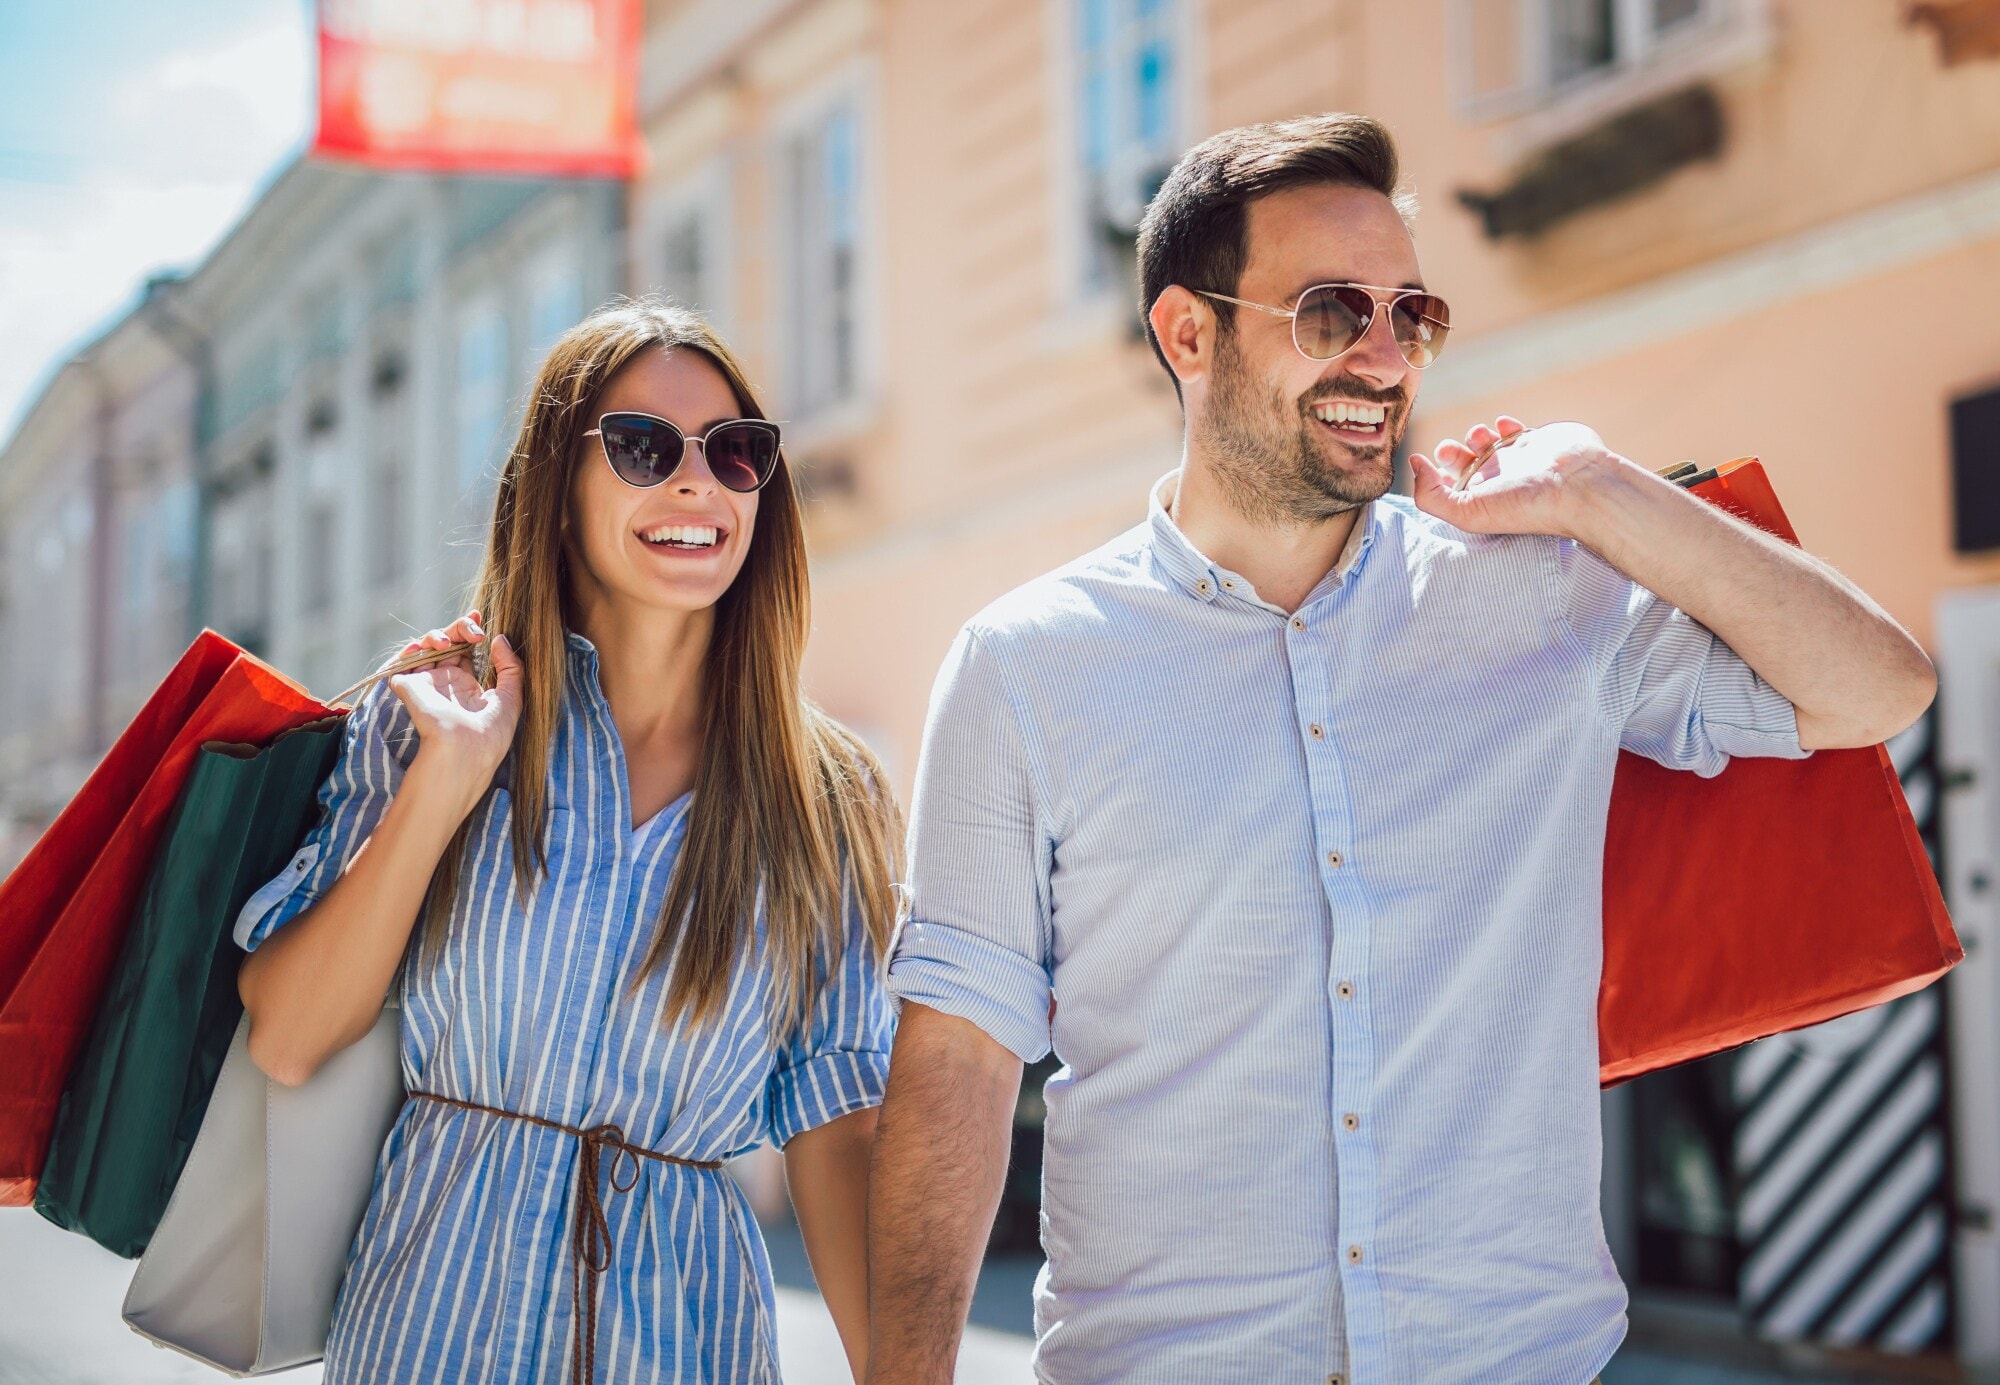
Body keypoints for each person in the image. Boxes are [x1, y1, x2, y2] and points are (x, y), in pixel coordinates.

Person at [863, 114, 1937, 1385]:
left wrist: (1600, 489)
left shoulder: (1542, 595)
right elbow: (956, 1065)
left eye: (1410, 315)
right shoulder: (1023, 663)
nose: (1383, 357)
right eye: (1329, 312)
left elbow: (1875, 687)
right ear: (1186, 332)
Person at [235, 298, 900, 1384]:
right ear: (554, 486)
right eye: (643, 447)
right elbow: (290, 1037)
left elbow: (838, 1126)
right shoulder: (432, 721)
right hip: (430, 1336)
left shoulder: (824, 795)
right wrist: (443, 784)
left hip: (689, 1345)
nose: (697, 484)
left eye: (735, 454)